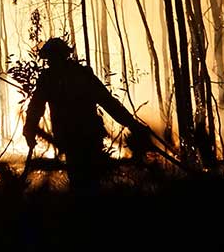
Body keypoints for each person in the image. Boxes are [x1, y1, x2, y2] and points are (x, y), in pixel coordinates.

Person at [23, 37, 152, 191]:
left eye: (52, 57)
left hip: (80, 137)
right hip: (82, 137)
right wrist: (29, 128)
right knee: (86, 182)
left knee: (84, 182)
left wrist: (132, 123)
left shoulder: (62, 77)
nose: (52, 61)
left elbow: (107, 102)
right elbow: (108, 102)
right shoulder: (68, 76)